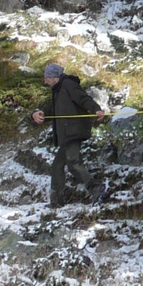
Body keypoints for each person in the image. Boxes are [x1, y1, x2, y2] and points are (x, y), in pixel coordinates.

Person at [31, 62, 109, 206]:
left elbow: (83, 98)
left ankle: (96, 188)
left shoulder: (68, 85)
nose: (45, 81)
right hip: (67, 134)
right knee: (57, 165)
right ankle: (56, 201)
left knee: (73, 162)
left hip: (73, 131)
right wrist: (40, 113)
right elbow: (53, 108)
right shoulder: (57, 90)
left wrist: (96, 109)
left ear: (55, 77)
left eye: (47, 78)